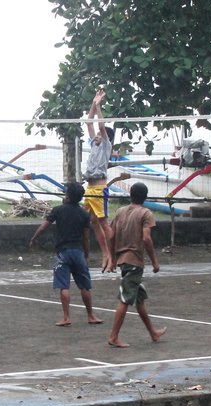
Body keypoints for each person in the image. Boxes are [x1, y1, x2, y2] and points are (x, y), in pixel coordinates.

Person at [29, 182, 104, 327]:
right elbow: (86, 237)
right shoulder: (84, 214)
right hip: (78, 252)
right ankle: (90, 315)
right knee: (84, 286)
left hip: (62, 252)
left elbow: (45, 226)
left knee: (64, 286)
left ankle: (66, 317)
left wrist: (34, 237)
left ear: (68, 195)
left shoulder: (58, 210)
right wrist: (86, 254)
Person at [107, 182, 166, 348]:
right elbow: (146, 238)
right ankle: (113, 336)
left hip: (123, 260)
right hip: (134, 261)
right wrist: (154, 261)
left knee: (139, 298)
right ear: (145, 197)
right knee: (125, 299)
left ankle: (153, 332)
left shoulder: (120, 211)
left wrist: (112, 258)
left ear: (130, 194)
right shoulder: (146, 213)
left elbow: (111, 236)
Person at [83, 88, 117, 272]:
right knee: (91, 222)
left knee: (103, 222)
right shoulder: (94, 144)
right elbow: (90, 122)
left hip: (99, 189)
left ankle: (112, 256)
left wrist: (99, 106)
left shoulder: (105, 144)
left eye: (99, 134)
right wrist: (93, 103)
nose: (96, 134)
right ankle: (101, 253)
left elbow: (100, 126)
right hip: (89, 189)